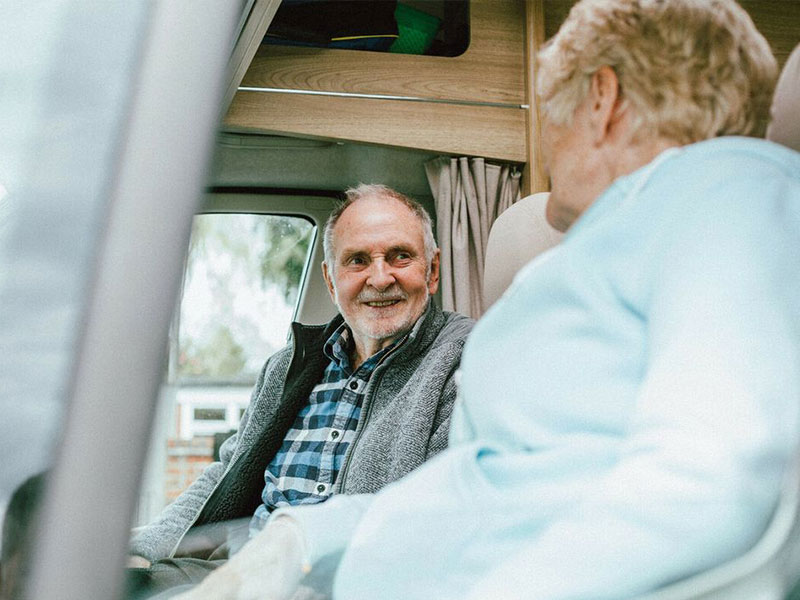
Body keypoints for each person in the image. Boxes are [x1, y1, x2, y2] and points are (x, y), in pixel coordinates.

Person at [175, 0, 800, 599]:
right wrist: (304, 535)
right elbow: (491, 482)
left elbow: (715, 478)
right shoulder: (630, 235)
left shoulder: (729, 194)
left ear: (602, 100)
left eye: (552, 107)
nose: (549, 142)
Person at [127, 184, 473, 594]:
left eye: (400, 256)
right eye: (357, 261)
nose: (380, 278)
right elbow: (227, 471)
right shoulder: (288, 366)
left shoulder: (465, 362)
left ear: (432, 271)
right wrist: (140, 549)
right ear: (331, 279)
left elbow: (438, 517)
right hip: (239, 571)